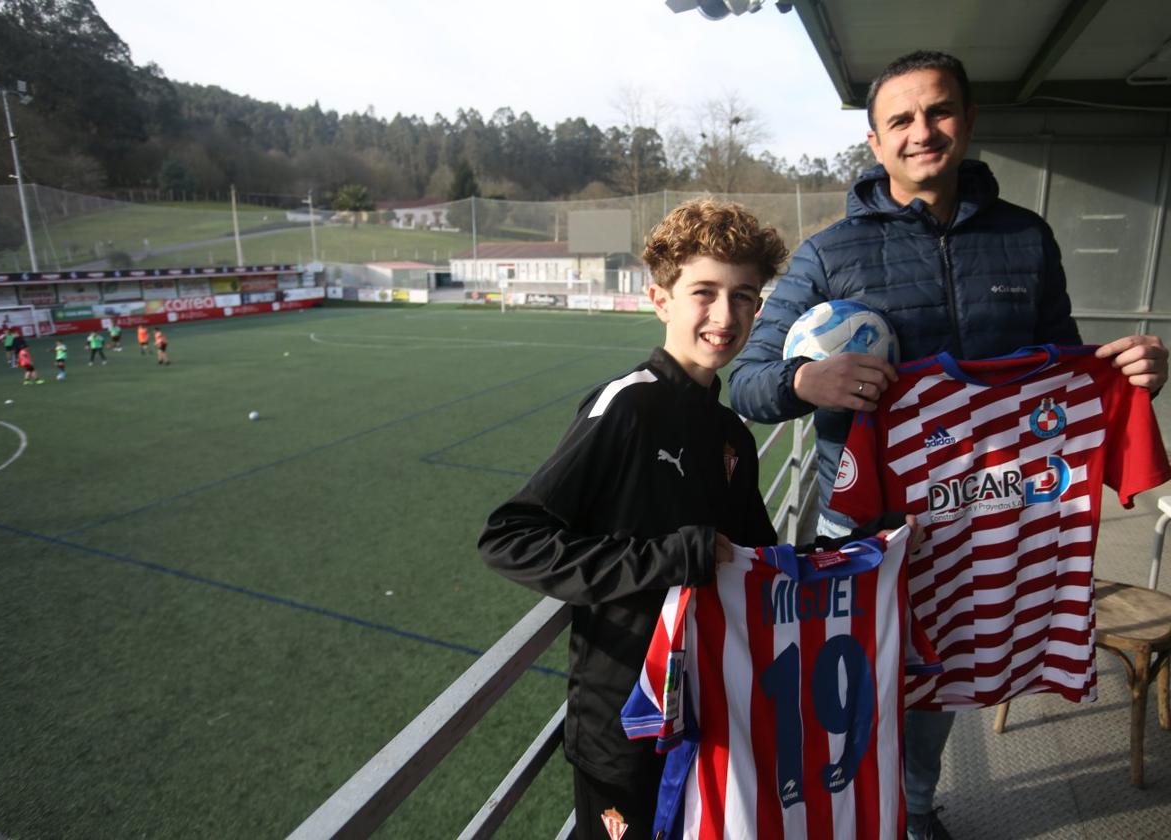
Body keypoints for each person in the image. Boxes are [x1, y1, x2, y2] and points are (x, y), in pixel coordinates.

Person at [727, 50, 1169, 840]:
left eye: (938, 112)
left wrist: (1130, 380)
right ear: (873, 140)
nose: (921, 132)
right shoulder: (832, 253)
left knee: (939, 684)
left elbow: (1061, 367)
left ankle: (915, 809)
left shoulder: (1026, 239)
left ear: (967, 122)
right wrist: (807, 383)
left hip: (982, 514)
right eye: (900, 119)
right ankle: (840, 813)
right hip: (864, 521)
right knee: (852, 682)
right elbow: (748, 382)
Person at [479, 199, 787, 839]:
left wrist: (872, 548)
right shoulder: (628, 406)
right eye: (704, 292)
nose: (725, 316)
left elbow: (762, 560)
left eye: (744, 297)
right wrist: (668, 559)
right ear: (661, 298)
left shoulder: (732, 431)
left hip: (713, 706)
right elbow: (511, 538)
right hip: (624, 722)